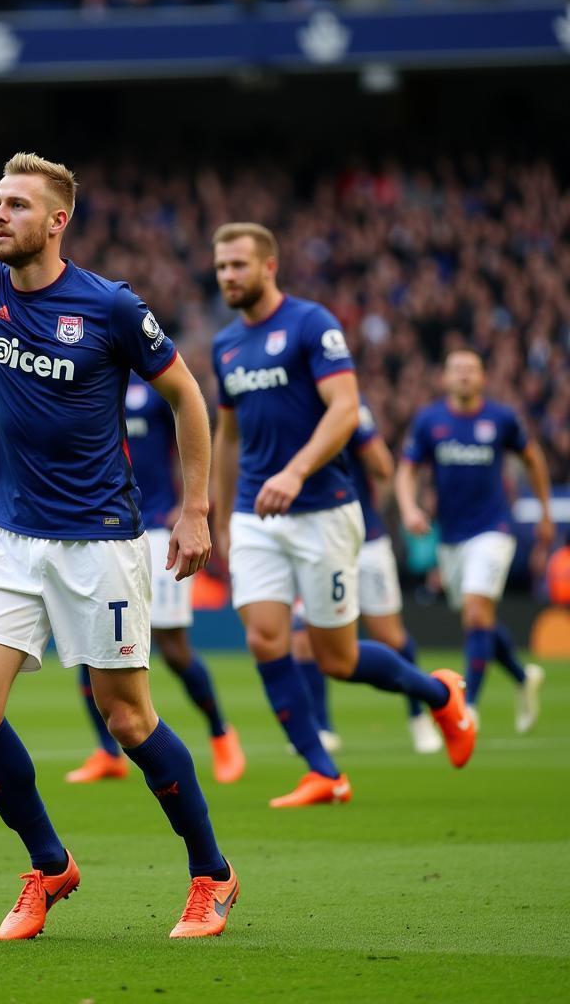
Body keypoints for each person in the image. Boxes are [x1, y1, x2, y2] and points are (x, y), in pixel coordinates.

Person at [0, 94, 237, 940]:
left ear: (56, 221)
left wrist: (195, 510)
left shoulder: (110, 306)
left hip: (101, 540)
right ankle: (50, 864)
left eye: (15, 205)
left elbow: (187, 396)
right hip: (12, 539)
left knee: (128, 718)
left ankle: (212, 874)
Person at [209, 223, 475, 809]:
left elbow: (347, 409)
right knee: (265, 638)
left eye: (238, 265)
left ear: (269, 266)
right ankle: (322, 771)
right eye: (221, 266)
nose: (227, 275)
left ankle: (439, 694)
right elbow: (228, 437)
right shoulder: (225, 343)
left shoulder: (312, 325)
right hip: (257, 514)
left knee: (338, 658)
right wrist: (218, 516)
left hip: (322, 512)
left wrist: (296, 471)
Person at [66, 373, 246, 785]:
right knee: (90, 644)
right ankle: (107, 752)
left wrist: (189, 504)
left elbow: (192, 427)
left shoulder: (151, 386)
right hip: (102, 529)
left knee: (174, 646)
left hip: (157, 526)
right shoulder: (84, 379)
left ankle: (221, 733)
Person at [396, 348, 551, 732]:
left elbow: (533, 459)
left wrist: (545, 511)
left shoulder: (501, 419)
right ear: (444, 378)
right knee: (477, 617)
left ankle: (468, 707)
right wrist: (409, 508)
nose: (464, 375)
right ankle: (521, 675)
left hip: (493, 529)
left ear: (483, 377)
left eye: (471, 369)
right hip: (450, 537)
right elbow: (407, 471)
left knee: (476, 614)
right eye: (456, 369)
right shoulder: (430, 420)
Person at [291, 398, 444, 755]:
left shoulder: (348, 407)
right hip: (310, 539)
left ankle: (418, 714)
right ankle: (323, 728)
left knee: (389, 636)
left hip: (364, 537)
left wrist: (355, 431)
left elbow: (383, 468)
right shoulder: (285, 403)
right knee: (302, 637)